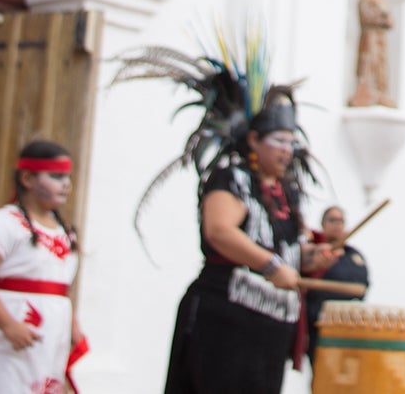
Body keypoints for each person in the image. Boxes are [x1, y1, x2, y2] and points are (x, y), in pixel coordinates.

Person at [116, 33, 321, 394]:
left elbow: (280, 247)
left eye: (292, 143)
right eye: (279, 141)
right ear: (254, 140)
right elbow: (220, 231)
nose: (287, 151)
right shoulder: (233, 178)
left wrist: (310, 256)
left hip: (270, 328)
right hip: (227, 320)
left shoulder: (285, 194)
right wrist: (272, 267)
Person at [0, 139, 87, 393]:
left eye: (68, 177)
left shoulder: (66, 232)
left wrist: (72, 326)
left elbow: (61, 287)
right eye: (56, 176)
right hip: (6, 337)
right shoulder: (1, 224)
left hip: (50, 336)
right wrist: (7, 324)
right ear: (27, 179)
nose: (66, 185)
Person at [304, 204, 371, 361]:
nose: (337, 225)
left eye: (341, 221)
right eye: (332, 220)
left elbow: (363, 286)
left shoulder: (354, 255)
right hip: (319, 324)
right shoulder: (314, 252)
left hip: (349, 325)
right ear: (323, 224)